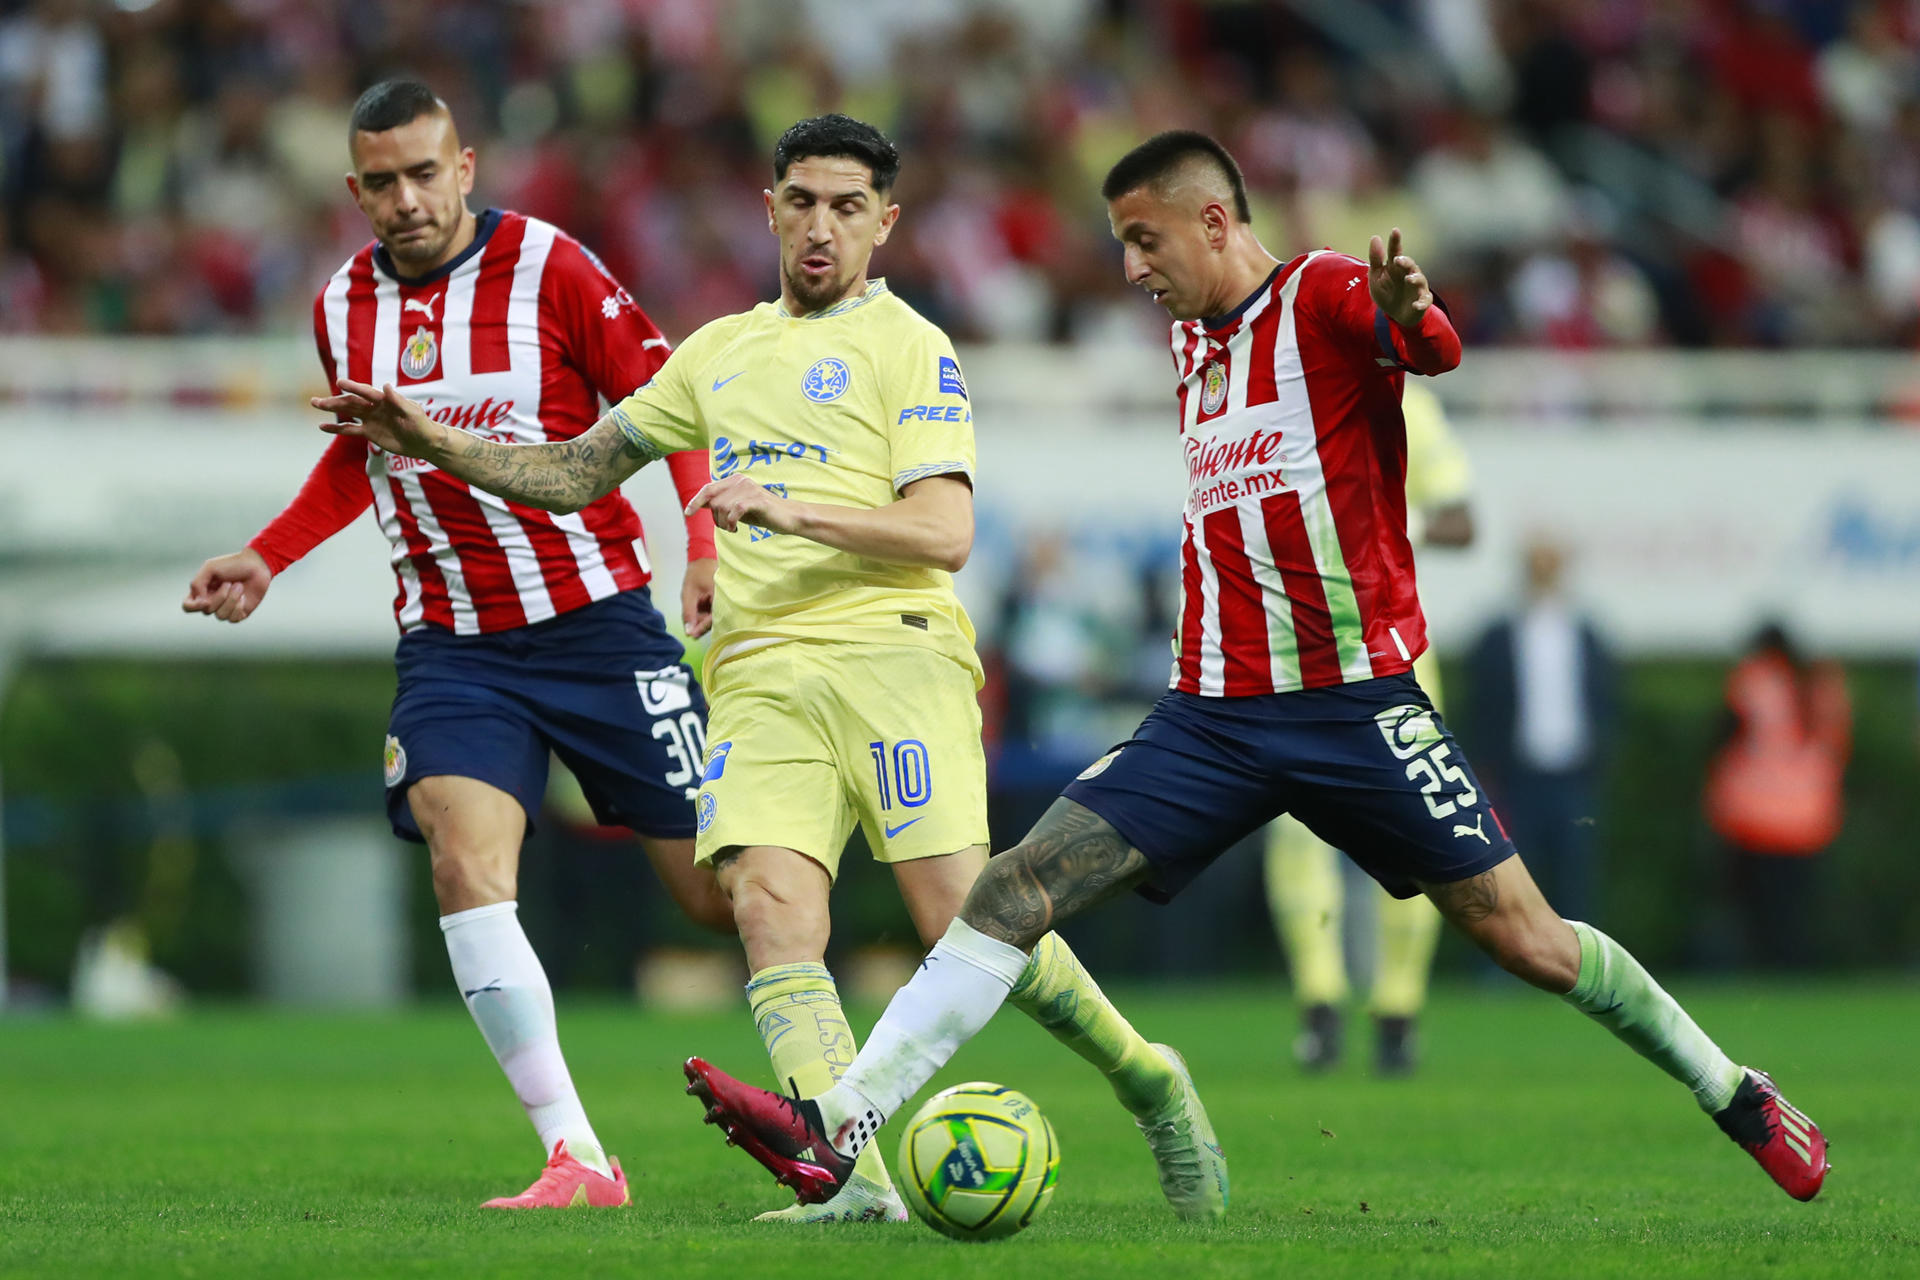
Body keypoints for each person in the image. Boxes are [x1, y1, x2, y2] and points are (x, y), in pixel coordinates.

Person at [681, 130, 1830, 1208]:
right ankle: (839, 1125)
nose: (1131, 269)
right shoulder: (1195, 338)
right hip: (1213, 716)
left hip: (1355, 706)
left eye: (1146, 240)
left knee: (1526, 938)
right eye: (1122, 243)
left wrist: (1414, 319)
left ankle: (1732, 1086)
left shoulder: (1327, 292)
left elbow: (1425, 348)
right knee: (1009, 890)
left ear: (1216, 221)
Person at [306, 114, 1227, 1226]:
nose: (821, 226)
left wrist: (784, 507)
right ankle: (856, 1184)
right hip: (758, 669)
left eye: (847, 206)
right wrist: (433, 439)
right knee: (769, 906)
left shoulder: (912, 347)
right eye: (802, 201)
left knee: (962, 922)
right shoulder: (718, 352)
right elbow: (575, 470)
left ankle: (1147, 1076)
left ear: (885, 222)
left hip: (892, 649)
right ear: (771, 209)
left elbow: (943, 531)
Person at [182, 80, 730, 1210]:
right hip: (457, 646)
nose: (405, 199)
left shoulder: (552, 266)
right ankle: (578, 1155)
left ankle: (843, 1100)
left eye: (424, 173)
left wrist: (706, 541)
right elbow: (359, 455)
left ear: (465, 167)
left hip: (601, 624)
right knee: (463, 858)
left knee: (725, 898)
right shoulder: (342, 305)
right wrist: (266, 555)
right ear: (354, 189)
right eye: (380, 182)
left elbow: (669, 398)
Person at [1267, 379, 1473, 1075]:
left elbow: (1460, 519)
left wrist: (1384, 523)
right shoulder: (1273, 389)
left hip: (1392, 652)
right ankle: (1319, 1003)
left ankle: (1397, 1008)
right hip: (1293, 652)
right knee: (1296, 839)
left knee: (1421, 834)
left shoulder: (1402, 399)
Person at [1466, 536, 1616, 924]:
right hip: (1516, 776)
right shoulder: (1498, 635)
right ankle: (1502, 968)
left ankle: (1580, 967)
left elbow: (1606, 701)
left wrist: (1600, 756)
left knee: (1574, 877)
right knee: (1509, 875)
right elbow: (1483, 705)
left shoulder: (1586, 633)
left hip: (1574, 775)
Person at [1705, 622, 1850, 970]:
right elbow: (1838, 746)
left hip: (1753, 813)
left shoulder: (1754, 681)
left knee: (1757, 905)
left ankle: (1764, 968)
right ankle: (1795, 966)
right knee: (1797, 905)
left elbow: (1723, 737)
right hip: (1809, 815)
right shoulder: (1822, 684)